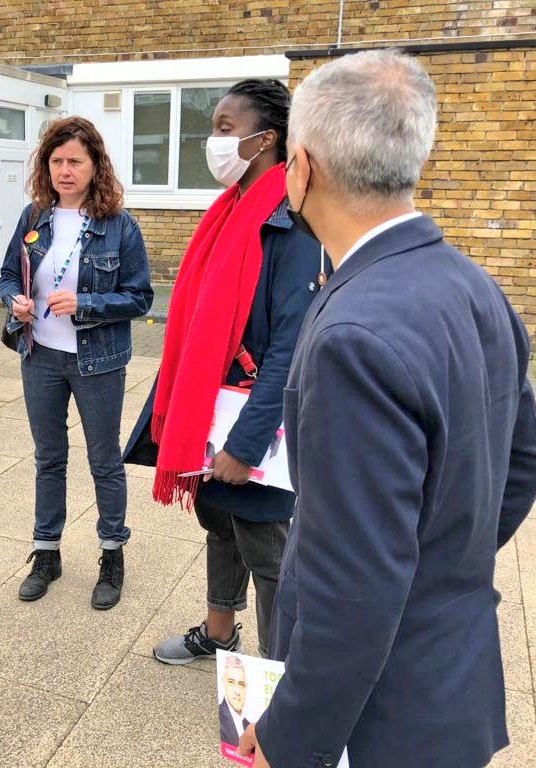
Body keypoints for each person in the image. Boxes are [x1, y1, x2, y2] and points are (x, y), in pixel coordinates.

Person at [237, 50, 536, 768]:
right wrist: (442, 558)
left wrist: (289, 739)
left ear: (299, 168)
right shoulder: (473, 283)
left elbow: (356, 589)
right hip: (450, 680)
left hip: (381, 718)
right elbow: (521, 459)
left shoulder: (350, 336)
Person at [134, 80, 324, 663]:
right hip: (211, 413)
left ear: (265, 139)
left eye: (223, 128)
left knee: (268, 552)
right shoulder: (227, 212)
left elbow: (289, 352)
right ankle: (219, 633)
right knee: (220, 524)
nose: (211, 140)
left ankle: (277, 673)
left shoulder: (291, 226)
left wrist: (245, 444)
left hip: (258, 424)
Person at [0, 116, 153, 610]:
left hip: (98, 361)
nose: (65, 170)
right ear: (47, 166)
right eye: (57, 161)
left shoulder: (118, 225)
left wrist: (86, 303)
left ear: (94, 166)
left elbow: (141, 297)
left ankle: (112, 553)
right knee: (49, 458)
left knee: (104, 460)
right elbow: (7, 275)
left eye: (75, 161)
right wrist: (15, 300)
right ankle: (48, 553)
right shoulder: (33, 217)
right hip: (39, 355)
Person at [218, 655, 250, 747]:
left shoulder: (248, 725)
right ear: (223, 683)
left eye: (241, 684)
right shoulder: (220, 718)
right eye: (231, 682)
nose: (237, 692)